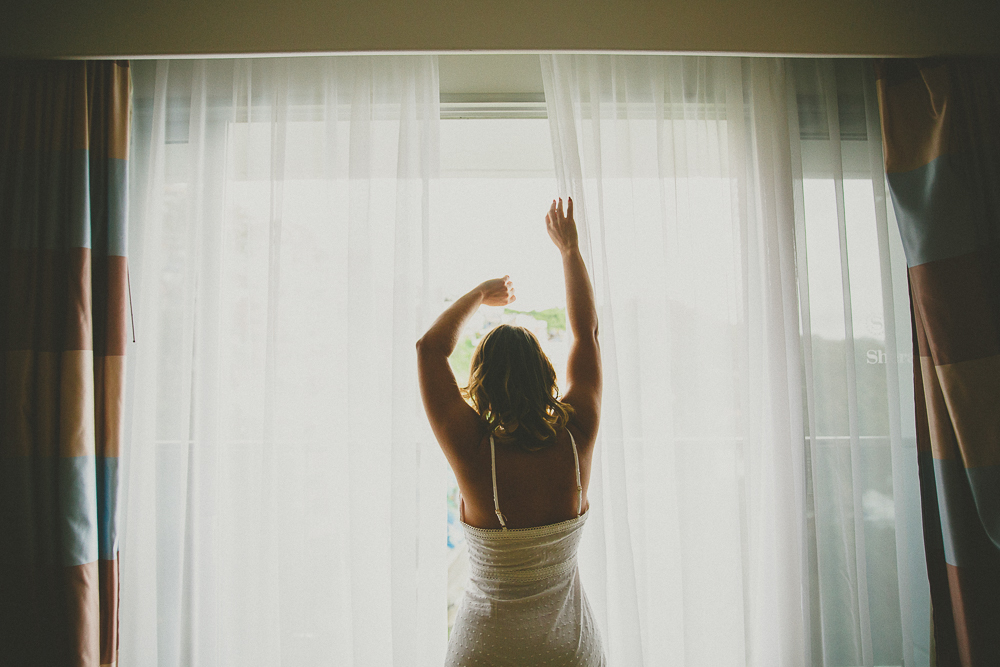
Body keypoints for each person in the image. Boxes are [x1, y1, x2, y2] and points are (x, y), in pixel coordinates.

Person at [417, 197, 605, 666]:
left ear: (480, 378)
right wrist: (569, 251)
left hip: (487, 648)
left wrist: (482, 293)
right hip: (570, 647)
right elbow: (587, 334)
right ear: (544, 373)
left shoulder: (473, 452)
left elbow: (430, 350)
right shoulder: (577, 435)